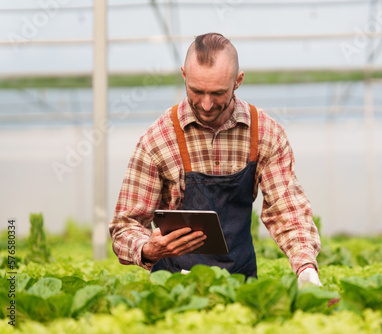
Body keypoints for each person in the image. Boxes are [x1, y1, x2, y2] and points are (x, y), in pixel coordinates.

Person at [109, 32, 322, 287]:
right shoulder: (158, 139)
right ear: (184, 76)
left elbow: (286, 209)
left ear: (238, 81)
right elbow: (125, 225)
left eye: (218, 93)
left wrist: (305, 268)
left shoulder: (264, 133)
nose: (207, 105)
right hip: (173, 287)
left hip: (240, 285)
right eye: (197, 91)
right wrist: (146, 248)